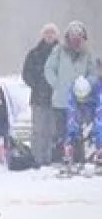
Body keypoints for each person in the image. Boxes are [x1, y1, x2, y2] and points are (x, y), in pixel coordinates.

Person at [44, 20, 93, 163]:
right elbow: (49, 69)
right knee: (60, 133)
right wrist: (56, 84)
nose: (76, 39)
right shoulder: (58, 51)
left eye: (79, 36)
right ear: (68, 37)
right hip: (60, 101)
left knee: (77, 132)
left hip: (79, 100)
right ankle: (58, 159)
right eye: (73, 36)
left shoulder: (87, 54)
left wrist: (86, 83)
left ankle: (78, 159)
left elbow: (92, 73)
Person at [21, 23, 59, 166]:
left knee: (51, 130)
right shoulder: (34, 54)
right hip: (38, 97)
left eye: (52, 33)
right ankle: (36, 158)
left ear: (57, 36)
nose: (49, 36)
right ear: (42, 35)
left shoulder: (62, 54)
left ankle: (48, 157)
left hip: (55, 98)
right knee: (38, 129)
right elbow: (26, 73)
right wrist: (36, 85)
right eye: (47, 33)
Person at [63, 64, 102, 167]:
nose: (83, 101)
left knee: (96, 128)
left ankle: (97, 153)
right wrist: (69, 140)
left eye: (84, 98)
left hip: (95, 106)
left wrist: (100, 143)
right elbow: (71, 117)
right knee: (76, 127)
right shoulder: (72, 92)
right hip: (80, 108)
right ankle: (76, 154)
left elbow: (99, 119)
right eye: (81, 99)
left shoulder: (98, 89)